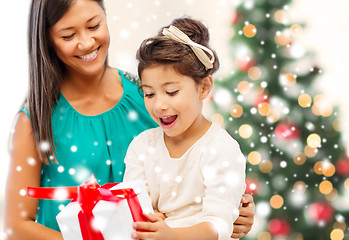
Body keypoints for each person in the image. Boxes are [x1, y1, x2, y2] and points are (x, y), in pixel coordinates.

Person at [4, 0, 254, 239]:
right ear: (47, 40)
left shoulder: (147, 95)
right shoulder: (34, 120)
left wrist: (235, 210)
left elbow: (196, 166)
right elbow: (17, 227)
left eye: (94, 26)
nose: (86, 41)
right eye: (68, 35)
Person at [123, 17, 246, 240]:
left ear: (204, 87)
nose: (159, 105)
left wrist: (171, 234)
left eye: (171, 92)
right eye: (149, 93)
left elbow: (218, 226)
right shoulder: (142, 147)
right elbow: (131, 210)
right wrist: (148, 218)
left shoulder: (221, 149)